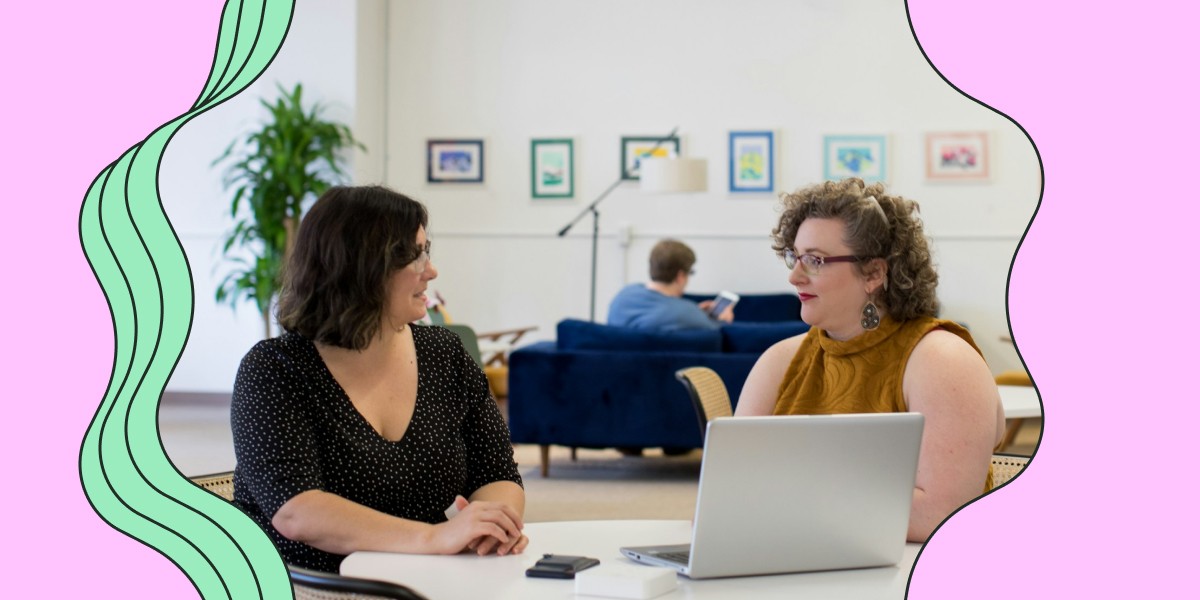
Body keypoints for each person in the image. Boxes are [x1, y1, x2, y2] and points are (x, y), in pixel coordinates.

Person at [230, 185, 527, 572]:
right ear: (361, 268)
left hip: (437, 578)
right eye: (414, 257)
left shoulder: (445, 353)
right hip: (314, 586)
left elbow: (497, 472)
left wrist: (491, 523)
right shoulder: (274, 369)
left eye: (427, 252)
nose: (431, 271)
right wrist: (433, 538)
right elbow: (297, 511)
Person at [735, 178, 1005, 542]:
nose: (794, 275)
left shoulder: (941, 359)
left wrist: (784, 495)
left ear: (875, 273)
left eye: (814, 260)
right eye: (794, 257)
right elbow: (731, 493)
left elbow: (941, 515)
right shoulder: (779, 361)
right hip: (794, 561)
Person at [607, 239, 733, 331]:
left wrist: (697, 312)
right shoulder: (686, 313)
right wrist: (723, 321)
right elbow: (715, 332)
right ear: (680, 276)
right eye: (690, 272)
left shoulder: (624, 295)